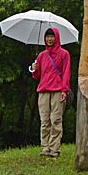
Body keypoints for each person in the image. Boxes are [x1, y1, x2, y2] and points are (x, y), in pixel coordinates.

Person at [29, 27, 71, 157]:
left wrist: (65, 89)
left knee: (56, 120)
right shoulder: (41, 55)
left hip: (58, 90)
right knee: (44, 120)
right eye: (47, 37)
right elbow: (37, 76)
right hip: (43, 91)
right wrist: (34, 68)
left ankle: (54, 148)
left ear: (56, 37)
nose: (49, 39)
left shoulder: (64, 54)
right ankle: (45, 147)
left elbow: (66, 73)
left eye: (52, 36)